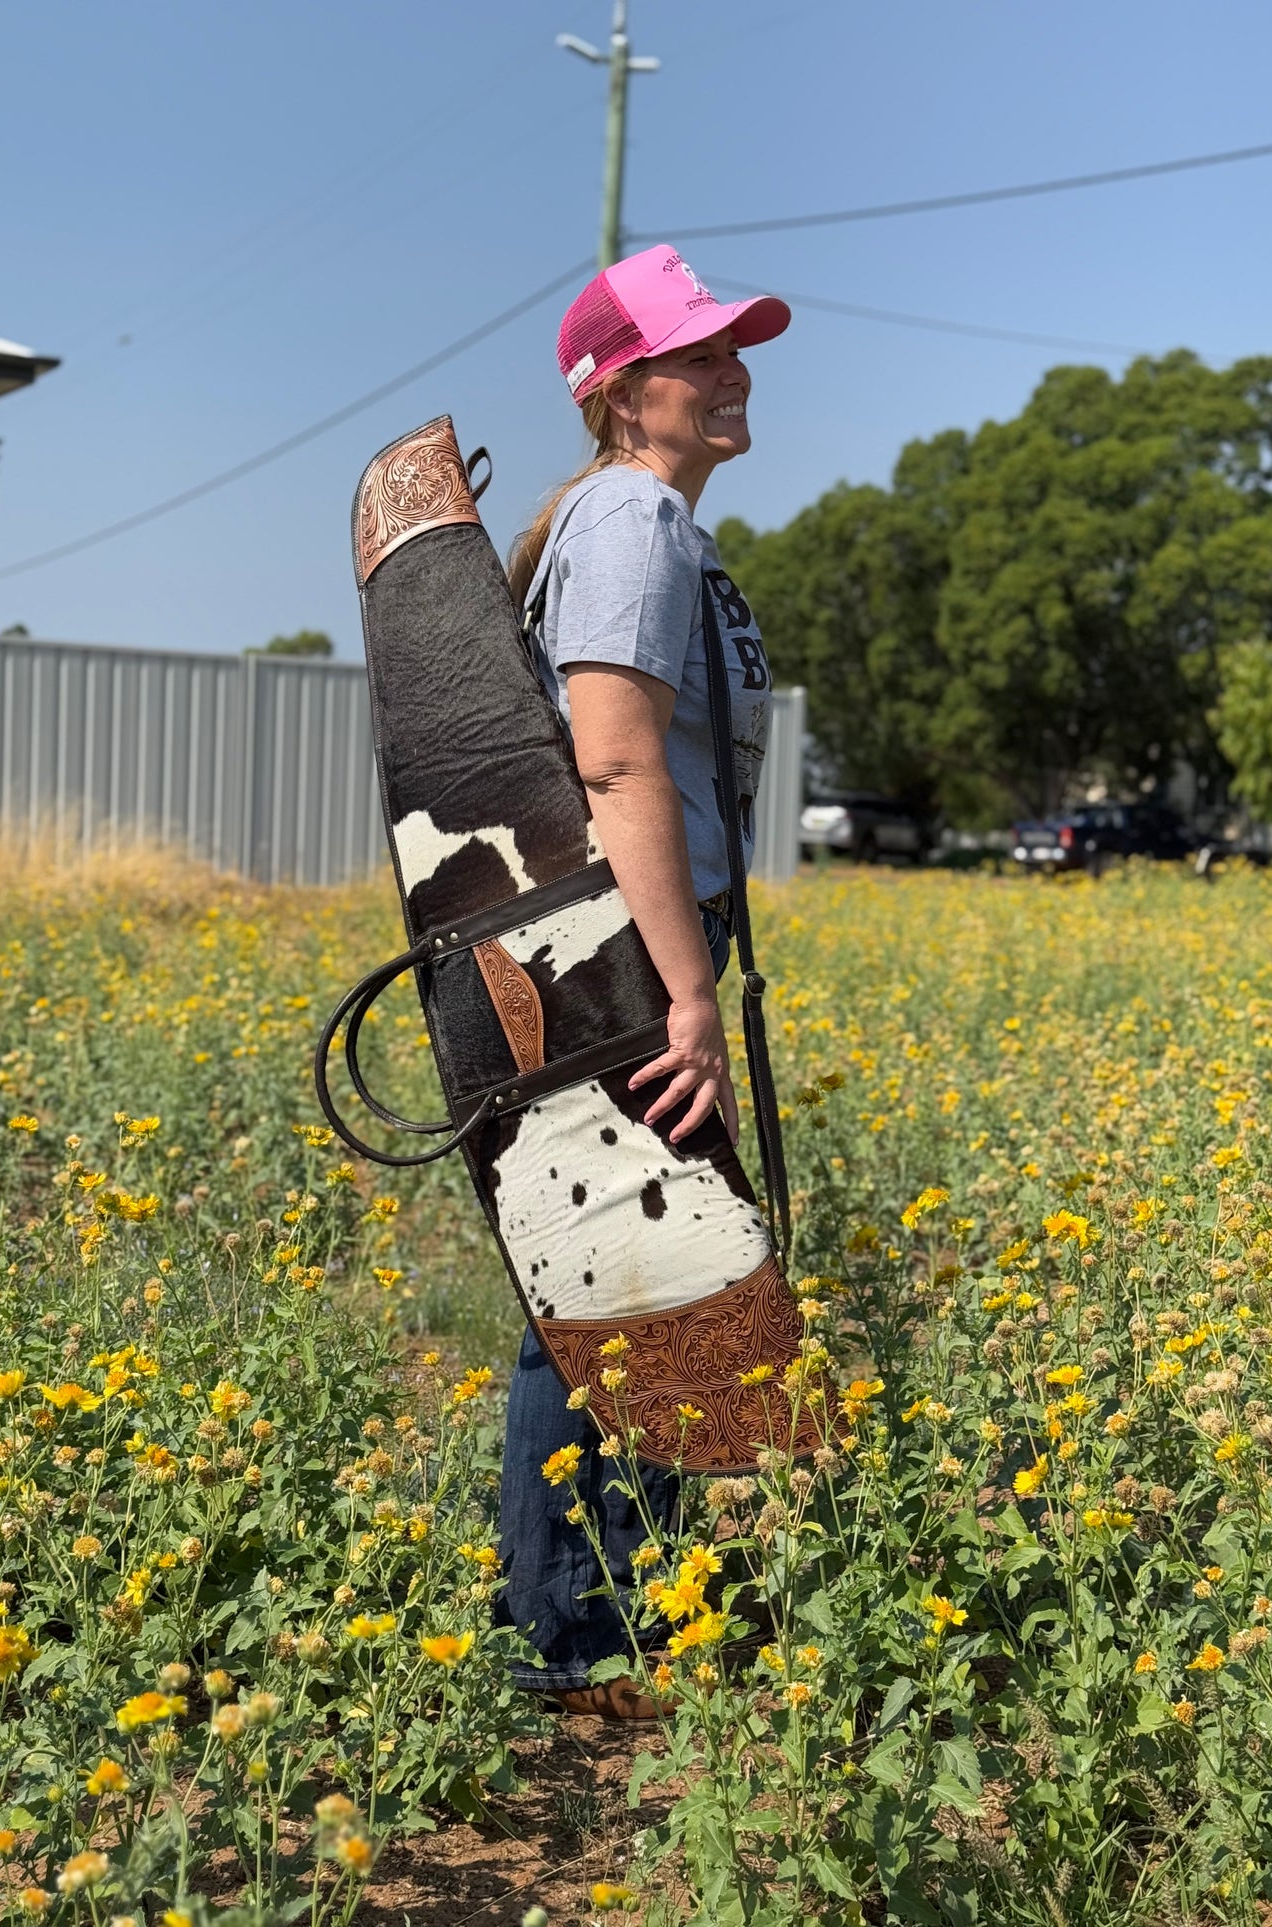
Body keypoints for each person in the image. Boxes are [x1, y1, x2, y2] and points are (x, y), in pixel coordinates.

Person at [492, 244, 791, 1719]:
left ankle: (609, 1605)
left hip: (634, 940)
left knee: (624, 1263)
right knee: (616, 1269)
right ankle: (581, 1635)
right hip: (629, 949)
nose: (733, 372)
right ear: (620, 392)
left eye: (734, 349)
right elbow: (615, 765)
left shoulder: (647, 521)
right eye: (699, 355)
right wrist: (684, 991)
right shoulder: (631, 520)